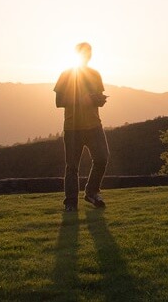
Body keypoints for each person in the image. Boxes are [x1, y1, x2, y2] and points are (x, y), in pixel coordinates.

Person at [54, 41, 109, 212]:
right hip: (73, 128)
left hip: (94, 125)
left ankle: (91, 192)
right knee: (72, 167)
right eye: (85, 53)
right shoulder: (65, 75)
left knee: (102, 158)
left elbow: (97, 98)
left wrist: (99, 100)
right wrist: (81, 100)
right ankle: (71, 202)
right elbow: (59, 102)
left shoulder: (95, 74)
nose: (88, 56)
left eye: (89, 53)